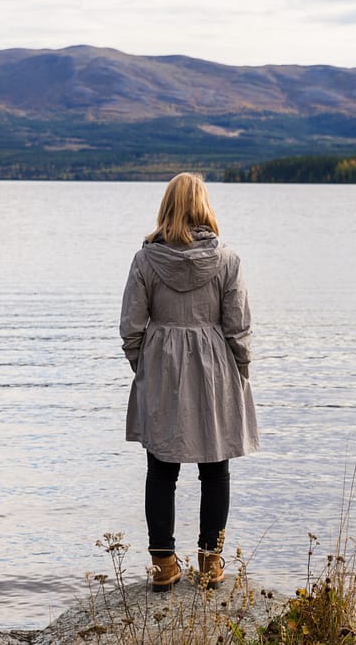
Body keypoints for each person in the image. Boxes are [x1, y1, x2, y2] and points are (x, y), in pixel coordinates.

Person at [119, 172, 258, 592]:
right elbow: (238, 328)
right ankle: (210, 563)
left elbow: (131, 329)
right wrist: (241, 371)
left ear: (167, 207)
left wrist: (146, 368)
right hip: (214, 369)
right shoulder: (227, 260)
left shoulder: (146, 260)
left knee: (161, 469)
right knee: (215, 470)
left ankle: (163, 565)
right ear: (204, 207)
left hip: (162, 368)